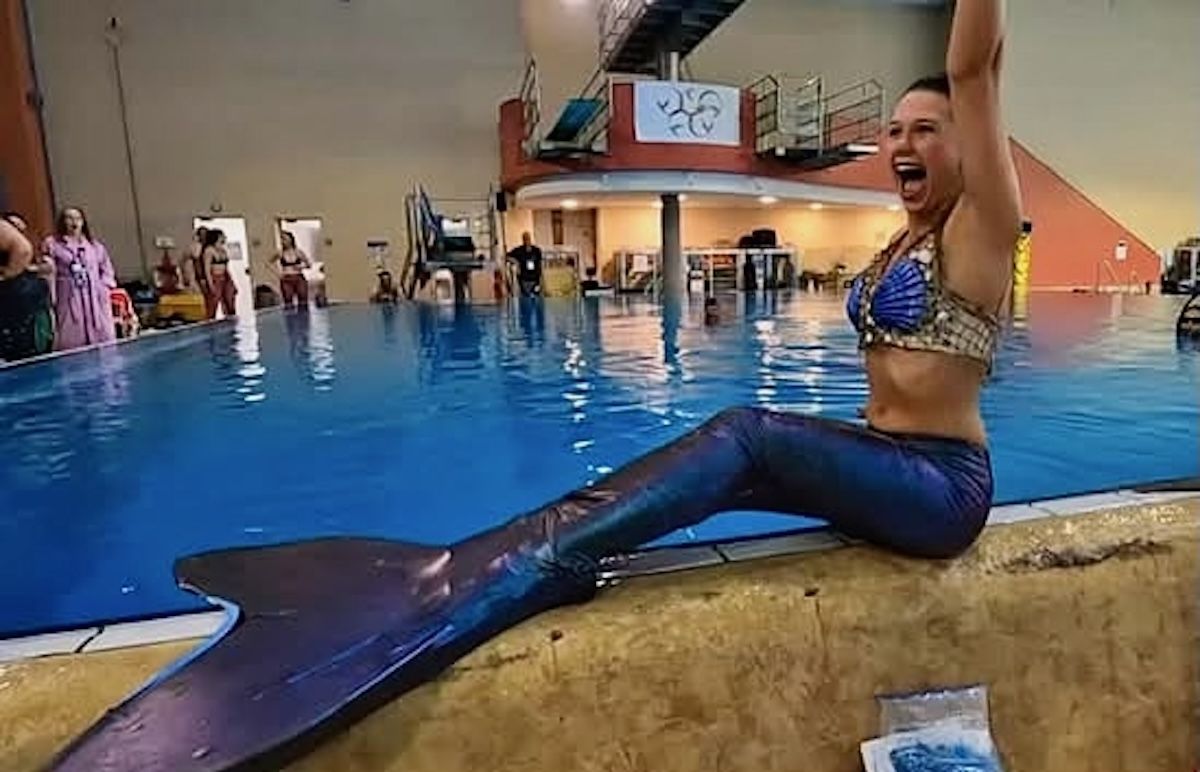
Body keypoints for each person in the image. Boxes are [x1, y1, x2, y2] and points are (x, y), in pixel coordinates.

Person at [44, 3, 1025, 767]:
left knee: (744, 433)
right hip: (888, 459)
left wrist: (969, 84)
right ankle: (529, 548)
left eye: (929, 128)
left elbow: (976, 66)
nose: (904, 143)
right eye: (895, 127)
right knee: (719, 465)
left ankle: (518, 566)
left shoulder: (979, 229)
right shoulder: (905, 235)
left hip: (940, 488)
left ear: (966, 141)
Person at [42, 206, 119, 351]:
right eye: (69, 218)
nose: (74, 222)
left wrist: (103, 288)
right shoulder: (52, 244)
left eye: (77, 218)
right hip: (69, 295)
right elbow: (47, 270)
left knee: (103, 339)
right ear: (62, 222)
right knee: (71, 337)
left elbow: (107, 270)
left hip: (94, 297)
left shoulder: (95, 246)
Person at [271, 231, 311, 309]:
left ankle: (304, 318)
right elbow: (268, 263)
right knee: (288, 301)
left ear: (291, 239)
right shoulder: (280, 253)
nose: (283, 241)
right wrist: (277, 273)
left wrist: (300, 267)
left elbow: (309, 264)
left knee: (303, 300)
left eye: (285, 239)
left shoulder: (298, 252)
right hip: (286, 278)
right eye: (282, 239)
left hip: (298, 277)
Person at [202, 228, 237, 318]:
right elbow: (207, 269)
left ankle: (230, 320)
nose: (224, 238)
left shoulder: (222, 250)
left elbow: (226, 267)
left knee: (229, 300)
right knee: (213, 303)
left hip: (225, 277)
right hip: (215, 278)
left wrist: (231, 280)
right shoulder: (209, 250)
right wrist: (210, 284)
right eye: (222, 236)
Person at [507, 231, 543, 297]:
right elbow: (507, 256)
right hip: (524, 280)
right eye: (525, 239)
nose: (526, 240)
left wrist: (541, 278)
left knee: (536, 297)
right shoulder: (519, 250)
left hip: (535, 279)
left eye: (528, 238)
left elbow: (539, 264)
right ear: (523, 240)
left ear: (530, 239)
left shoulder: (536, 250)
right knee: (526, 297)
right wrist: (516, 262)